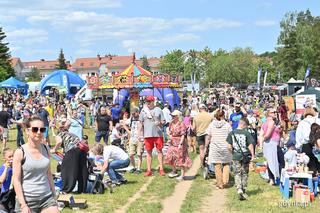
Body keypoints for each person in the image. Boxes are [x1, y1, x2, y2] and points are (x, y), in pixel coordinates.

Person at [13, 116, 58, 212]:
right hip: (27, 200)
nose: (38, 132)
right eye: (35, 129)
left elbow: (48, 173)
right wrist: (23, 205)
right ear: (27, 131)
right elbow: (16, 180)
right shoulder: (20, 152)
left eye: (42, 129)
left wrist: (54, 194)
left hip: (46, 198)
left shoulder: (46, 148)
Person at [51, 125, 88, 193]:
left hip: (73, 151)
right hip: (82, 150)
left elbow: (59, 142)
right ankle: (82, 189)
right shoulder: (72, 134)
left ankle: (66, 189)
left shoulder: (60, 134)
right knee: (81, 170)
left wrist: (54, 149)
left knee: (67, 169)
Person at [227, 118, 254, 200]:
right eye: (246, 126)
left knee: (237, 172)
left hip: (236, 156)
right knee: (245, 173)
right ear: (244, 124)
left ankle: (239, 189)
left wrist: (232, 153)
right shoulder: (247, 133)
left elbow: (229, 146)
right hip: (245, 156)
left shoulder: (232, 133)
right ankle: (244, 189)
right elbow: (250, 146)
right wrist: (252, 155)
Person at [138, 96, 166, 177]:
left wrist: (160, 122)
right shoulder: (143, 111)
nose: (148, 103)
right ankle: (149, 170)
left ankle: (161, 169)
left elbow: (164, 121)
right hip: (147, 134)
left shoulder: (159, 110)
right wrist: (139, 134)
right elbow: (140, 123)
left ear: (153, 101)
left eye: (150, 101)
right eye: (147, 101)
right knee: (148, 152)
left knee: (159, 151)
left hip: (158, 134)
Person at [205, 109, 232, 189]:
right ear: (223, 115)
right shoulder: (227, 125)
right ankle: (225, 181)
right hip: (225, 146)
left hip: (215, 147)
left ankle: (219, 183)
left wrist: (206, 145)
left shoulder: (211, 125)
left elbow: (208, 136)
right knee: (226, 164)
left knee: (217, 165)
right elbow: (231, 135)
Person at [259, 108, 284, 186]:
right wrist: (263, 139)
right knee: (281, 161)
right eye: (273, 112)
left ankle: (272, 179)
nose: (275, 113)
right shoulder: (271, 122)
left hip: (269, 144)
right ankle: (280, 178)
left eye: (276, 112)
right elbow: (267, 134)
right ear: (268, 113)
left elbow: (260, 135)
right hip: (272, 144)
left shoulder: (264, 123)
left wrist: (261, 144)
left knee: (270, 162)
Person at [165, 110, 192, 180]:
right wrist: (169, 135)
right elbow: (170, 132)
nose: (172, 117)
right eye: (172, 116)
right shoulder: (171, 123)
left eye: (174, 116)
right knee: (172, 157)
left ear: (178, 116)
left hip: (180, 142)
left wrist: (181, 143)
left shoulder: (181, 124)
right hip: (172, 142)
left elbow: (183, 134)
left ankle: (182, 175)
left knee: (181, 158)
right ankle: (174, 171)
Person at [124, 107, 144, 174]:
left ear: (138, 112)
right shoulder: (131, 119)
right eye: (132, 114)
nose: (133, 115)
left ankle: (138, 168)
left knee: (139, 154)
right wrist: (128, 131)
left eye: (134, 113)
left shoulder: (141, 118)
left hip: (140, 138)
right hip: (132, 138)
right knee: (131, 154)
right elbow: (123, 124)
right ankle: (133, 167)